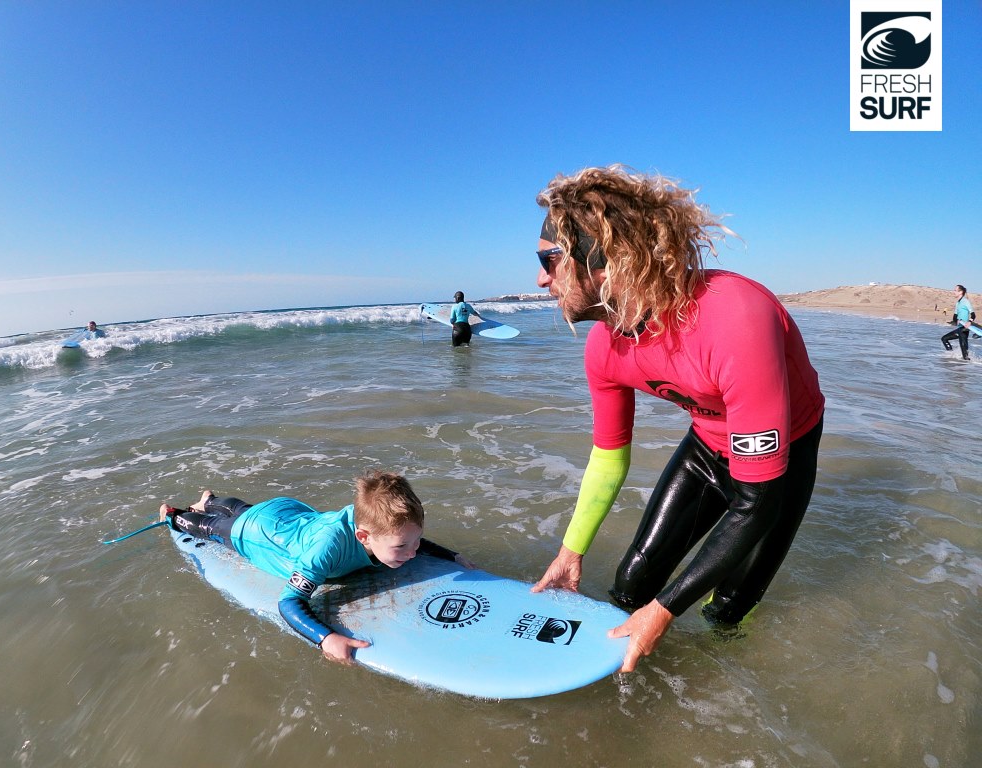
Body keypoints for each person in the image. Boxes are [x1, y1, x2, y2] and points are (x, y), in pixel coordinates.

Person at [529, 165, 825, 673]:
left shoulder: (735, 318)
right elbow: (608, 454)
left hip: (784, 457)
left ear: (605, 260)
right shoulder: (605, 345)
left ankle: (723, 689)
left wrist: (664, 612)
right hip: (708, 445)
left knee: (728, 608)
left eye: (549, 260)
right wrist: (571, 551)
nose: (540, 277)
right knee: (630, 587)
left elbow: (756, 502)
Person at [160, 470, 472, 663]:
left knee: (242, 509)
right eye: (402, 547)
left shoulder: (378, 523)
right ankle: (175, 514)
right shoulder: (327, 550)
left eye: (415, 541)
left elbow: (411, 540)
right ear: (363, 536)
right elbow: (289, 601)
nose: (413, 551)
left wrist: (453, 556)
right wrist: (326, 638)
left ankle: (210, 498)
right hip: (259, 534)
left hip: (287, 513)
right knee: (216, 528)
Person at [940, 285, 973, 360]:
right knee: (944, 339)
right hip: (959, 329)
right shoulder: (958, 303)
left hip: (964, 329)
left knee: (965, 355)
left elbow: (973, 315)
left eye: (955, 290)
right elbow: (955, 317)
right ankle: (951, 354)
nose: (953, 292)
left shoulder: (965, 301)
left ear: (960, 292)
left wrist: (969, 321)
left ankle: (970, 366)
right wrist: (956, 320)